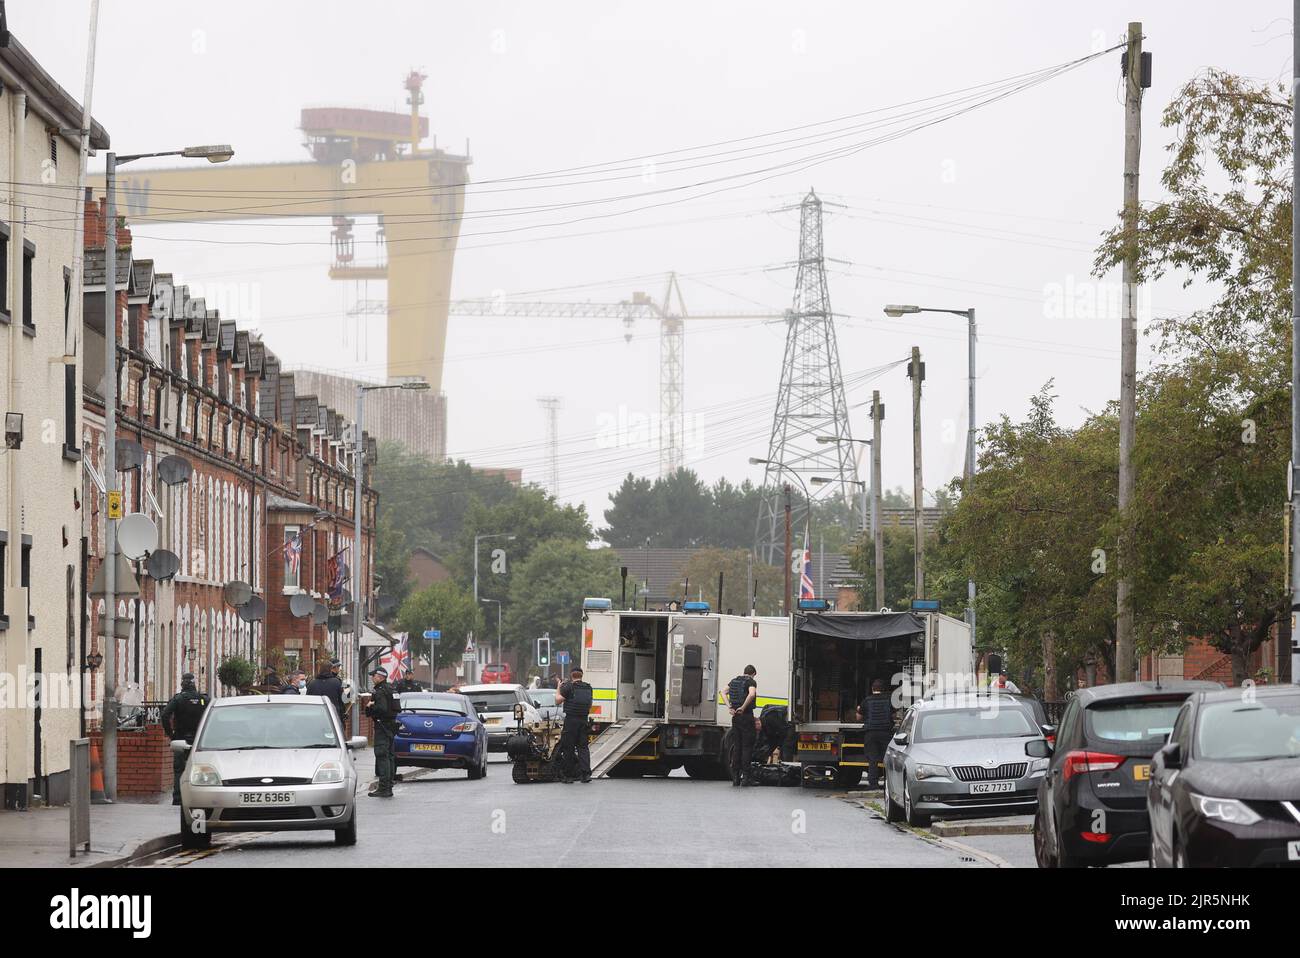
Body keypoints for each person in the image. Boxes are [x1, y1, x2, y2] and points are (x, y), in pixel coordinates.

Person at [160, 673, 210, 805]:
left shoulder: (178, 699)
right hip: (200, 741)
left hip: (181, 739)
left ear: (183, 684)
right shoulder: (203, 699)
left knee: (179, 770)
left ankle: (178, 799)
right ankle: (200, 799)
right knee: (201, 769)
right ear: (194, 684)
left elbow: (165, 715)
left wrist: (171, 734)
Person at [555, 667, 594, 783]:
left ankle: (568, 776)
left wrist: (558, 687)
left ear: (572, 676)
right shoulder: (588, 688)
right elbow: (590, 704)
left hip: (571, 721)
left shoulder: (568, 687)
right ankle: (586, 775)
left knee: (569, 748)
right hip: (583, 720)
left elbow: (557, 700)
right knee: (583, 748)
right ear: (581, 675)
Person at [365, 666, 399, 798]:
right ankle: (388, 786)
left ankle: (384, 788)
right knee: (390, 756)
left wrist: (370, 706)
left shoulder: (380, 691)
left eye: (373, 676)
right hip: (391, 726)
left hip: (382, 726)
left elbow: (382, 709)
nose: (372, 678)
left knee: (382, 755)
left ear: (380, 677)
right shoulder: (391, 689)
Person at [856, 678, 893, 789]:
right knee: (888, 759)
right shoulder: (889, 700)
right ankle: (889, 784)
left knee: (873, 759)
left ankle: (873, 784)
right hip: (885, 732)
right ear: (884, 689)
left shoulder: (867, 700)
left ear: (872, 689)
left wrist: (858, 709)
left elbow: (859, 718)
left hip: (870, 733)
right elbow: (895, 715)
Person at [725, 665, 758, 786]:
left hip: (735, 717)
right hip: (746, 716)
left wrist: (729, 707)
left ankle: (735, 778)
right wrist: (743, 707)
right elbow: (752, 694)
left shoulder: (734, 681)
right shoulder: (751, 681)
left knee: (737, 747)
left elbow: (722, 692)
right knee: (747, 747)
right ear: (753, 673)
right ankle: (746, 778)